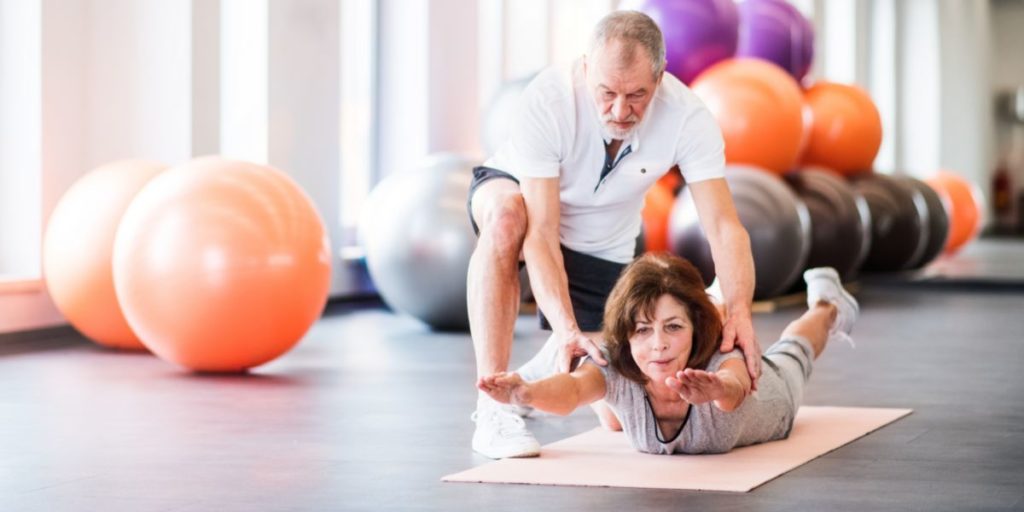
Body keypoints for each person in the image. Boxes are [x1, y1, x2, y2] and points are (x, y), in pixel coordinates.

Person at [467, 10, 760, 459]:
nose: (620, 111)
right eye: (606, 93)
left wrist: (739, 309)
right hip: (525, 197)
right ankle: (491, 408)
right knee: (508, 217)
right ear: (587, 70)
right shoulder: (550, 99)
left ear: (660, 78)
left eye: (636, 95)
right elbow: (542, 233)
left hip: (604, 238)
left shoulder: (688, 116)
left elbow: (724, 224)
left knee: (615, 413)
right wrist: (566, 328)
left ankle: (524, 385)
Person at [477, 254, 859, 455]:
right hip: (624, 377)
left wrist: (716, 391)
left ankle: (828, 305)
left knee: (793, 350)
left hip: (773, 400)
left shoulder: (718, 357)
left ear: (695, 327)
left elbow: (735, 388)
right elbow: (574, 391)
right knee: (609, 408)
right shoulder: (620, 362)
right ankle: (710, 298)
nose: (657, 344)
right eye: (642, 330)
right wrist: (523, 393)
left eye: (673, 328)